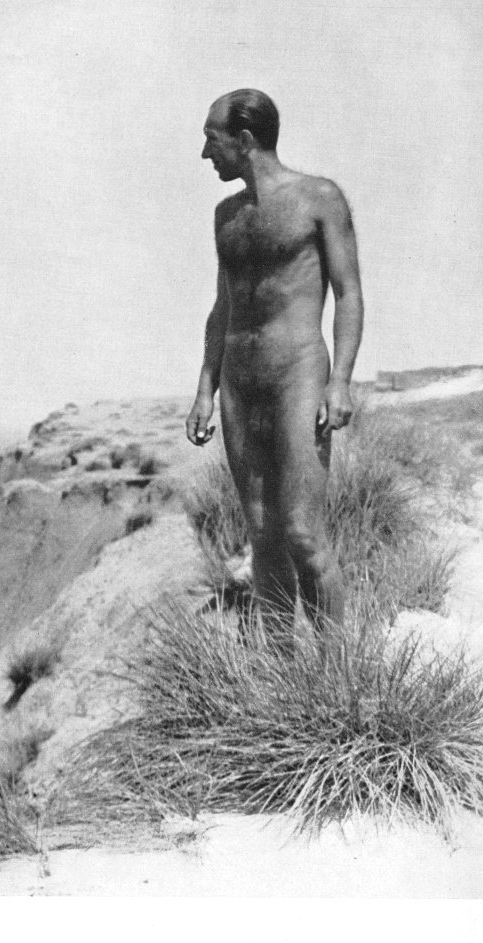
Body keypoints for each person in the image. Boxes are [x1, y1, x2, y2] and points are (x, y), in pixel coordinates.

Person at [186, 89, 364, 645]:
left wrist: (340, 382)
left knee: (303, 534)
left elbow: (348, 293)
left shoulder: (319, 198)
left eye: (212, 140)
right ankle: (284, 671)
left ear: (244, 140)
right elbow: (223, 307)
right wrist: (205, 390)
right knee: (263, 535)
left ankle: (339, 669)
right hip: (240, 385)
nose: (205, 153)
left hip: (298, 375)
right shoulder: (226, 216)